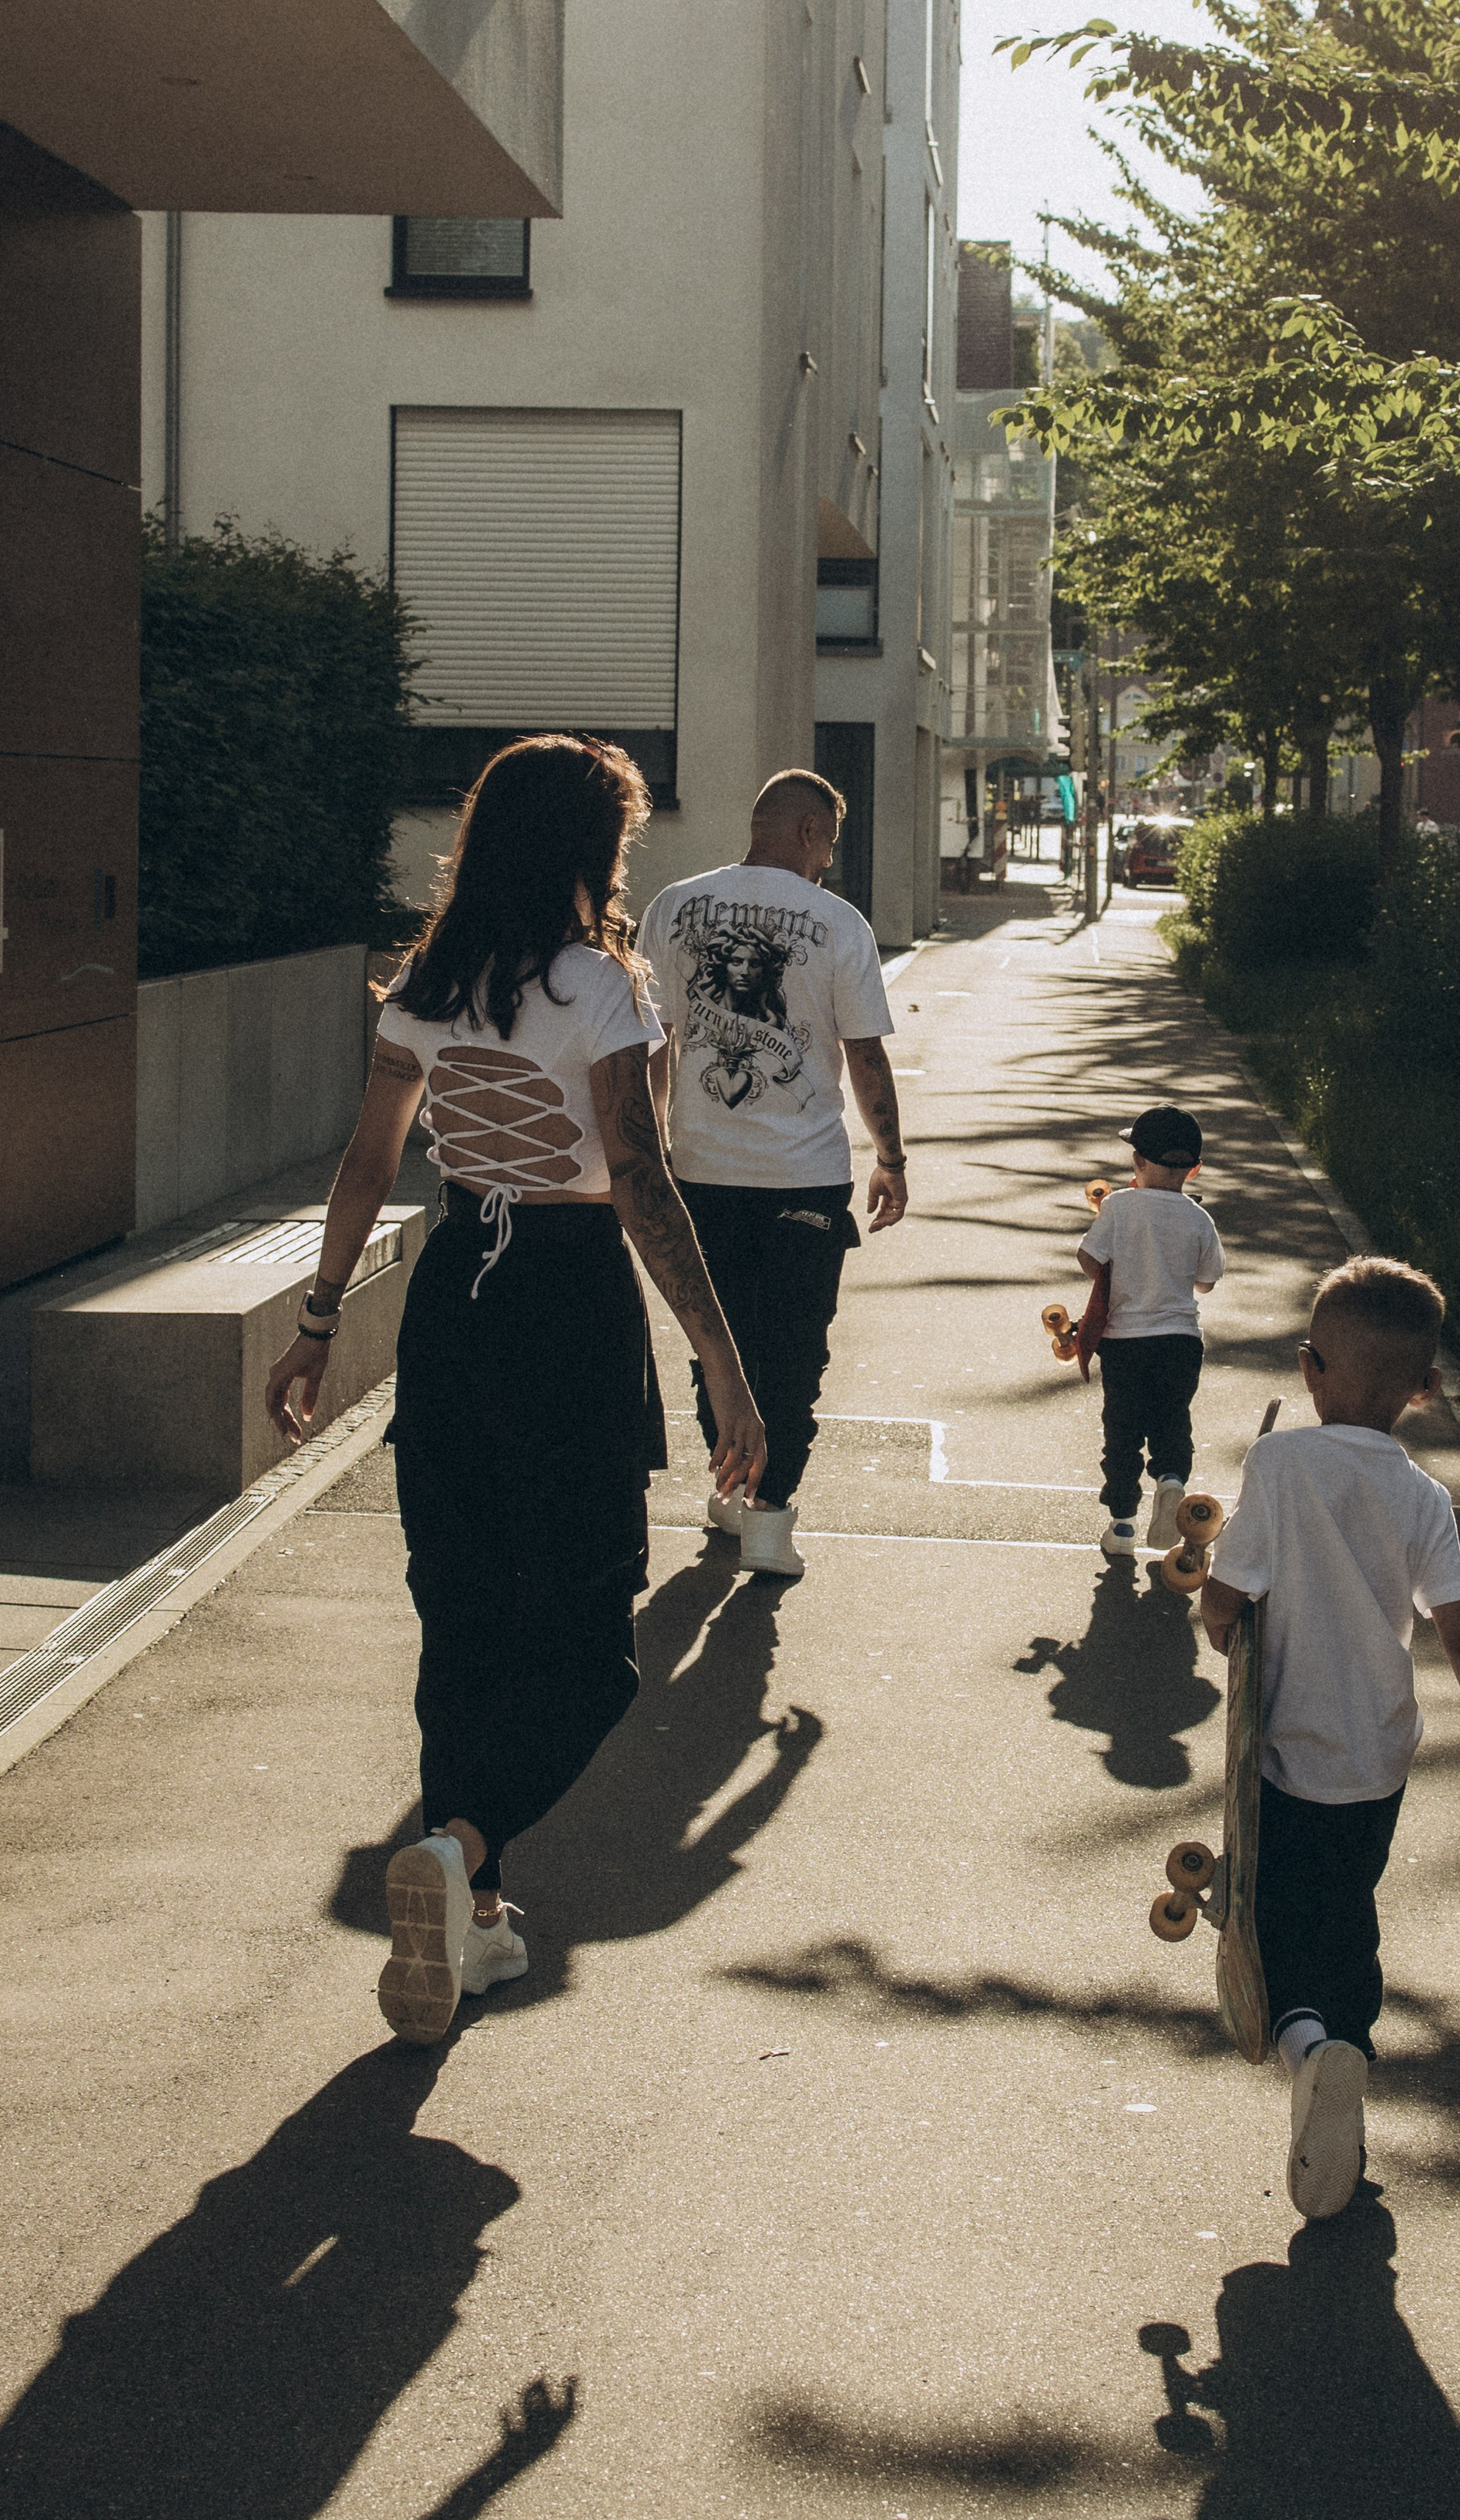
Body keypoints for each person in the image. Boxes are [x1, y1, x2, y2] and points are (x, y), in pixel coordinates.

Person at [263, 736, 765, 2047]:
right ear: (587, 852)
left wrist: (319, 1323)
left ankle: (471, 1917)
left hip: (451, 1304)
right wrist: (719, 1360)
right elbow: (640, 1181)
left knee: (464, 1613)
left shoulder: (421, 989)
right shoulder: (599, 988)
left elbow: (368, 1168)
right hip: (564, 1299)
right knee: (593, 1640)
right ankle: (467, 1846)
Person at [1199, 1256, 1460, 2220]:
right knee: (1346, 1913)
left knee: (1274, 1923)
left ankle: (1313, 2054)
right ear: (1427, 1390)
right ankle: (1347, 2062)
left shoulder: (1280, 1464)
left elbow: (1228, 1602)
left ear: (1309, 1367)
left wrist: (1216, 1626)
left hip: (1285, 1748)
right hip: (1378, 1756)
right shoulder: (1424, 1497)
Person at [636, 768, 907, 1578]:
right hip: (804, 1181)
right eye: (828, 842)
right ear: (808, 832)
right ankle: (767, 1518)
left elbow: (648, 1041)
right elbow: (864, 1051)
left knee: (711, 1342)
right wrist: (890, 1156)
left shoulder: (672, 907)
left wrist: (650, 1146)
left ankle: (729, 1490)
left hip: (699, 1175)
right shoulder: (839, 923)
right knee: (792, 1354)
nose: (828, 859)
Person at [1076, 1105, 1226, 1560]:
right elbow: (1207, 1279)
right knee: (1171, 1419)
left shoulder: (1118, 1205)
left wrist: (1122, 1265)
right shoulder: (1198, 1217)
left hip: (1124, 1343)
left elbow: (1089, 1259)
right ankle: (1172, 1482)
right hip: (1181, 1341)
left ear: (1136, 1162)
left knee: (1122, 1431)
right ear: (1195, 1170)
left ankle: (1122, 1523)